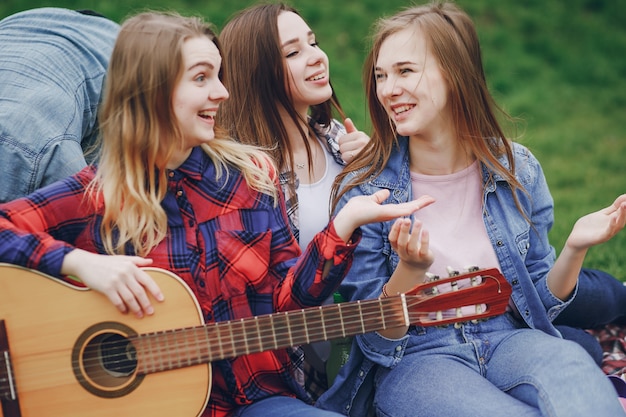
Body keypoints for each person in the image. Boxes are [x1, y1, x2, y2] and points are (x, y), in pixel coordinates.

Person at [0, 11, 435, 417]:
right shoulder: (97, 196)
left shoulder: (249, 177)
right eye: (202, 78)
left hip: (254, 399)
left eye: (219, 76)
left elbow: (286, 303)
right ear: (151, 91)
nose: (222, 92)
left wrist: (342, 226)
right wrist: (81, 263)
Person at [315, 2, 626, 416]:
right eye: (381, 76)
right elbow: (376, 340)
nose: (387, 89)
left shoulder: (516, 168)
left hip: (508, 337)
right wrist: (409, 271)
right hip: (419, 358)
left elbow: (540, 300)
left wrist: (573, 249)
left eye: (405, 71)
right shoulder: (364, 190)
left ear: (453, 72)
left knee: (581, 382)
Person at [218, 3, 370, 398]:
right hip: (291, 365)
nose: (317, 56)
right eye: (293, 52)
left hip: (366, 333)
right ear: (257, 72)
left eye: (313, 42)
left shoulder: (337, 139)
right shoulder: (243, 176)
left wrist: (375, 168)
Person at [0, 7, 119, 202]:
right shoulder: (122, 49)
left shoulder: (25, 20)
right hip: (36, 139)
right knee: (88, 216)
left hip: (32, 133)